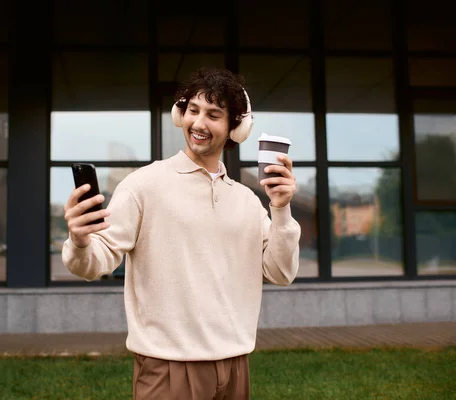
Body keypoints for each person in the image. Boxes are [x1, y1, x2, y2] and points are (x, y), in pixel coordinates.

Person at [62, 67, 300, 399]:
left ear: (236, 127)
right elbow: (92, 264)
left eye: (213, 115)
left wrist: (281, 209)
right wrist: (80, 240)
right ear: (180, 114)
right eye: (193, 110)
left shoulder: (247, 200)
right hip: (168, 367)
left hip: (235, 364)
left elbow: (281, 272)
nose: (199, 123)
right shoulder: (143, 185)